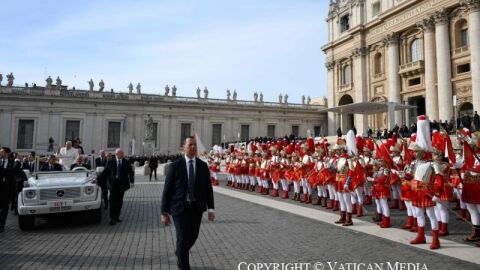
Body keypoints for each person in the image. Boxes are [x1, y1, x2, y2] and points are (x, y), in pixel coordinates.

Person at [161, 136, 215, 270]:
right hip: (179, 208)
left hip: (196, 207)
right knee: (183, 236)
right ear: (183, 147)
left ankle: (180, 252)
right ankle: (184, 265)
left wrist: (211, 209)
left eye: (195, 145)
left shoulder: (203, 166)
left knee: (194, 235)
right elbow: (167, 190)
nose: (193, 147)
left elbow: (208, 189)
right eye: (190, 145)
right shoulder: (175, 166)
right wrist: (164, 212)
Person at [98, 149, 134, 225]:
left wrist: (132, 182)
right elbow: (105, 172)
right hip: (113, 184)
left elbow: (131, 172)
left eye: (122, 153)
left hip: (122, 185)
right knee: (112, 201)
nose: (122, 155)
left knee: (119, 201)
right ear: (116, 154)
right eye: (121, 153)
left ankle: (117, 216)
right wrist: (97, 179)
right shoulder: (111, 162)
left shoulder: (126, 162)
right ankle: (112, 218)